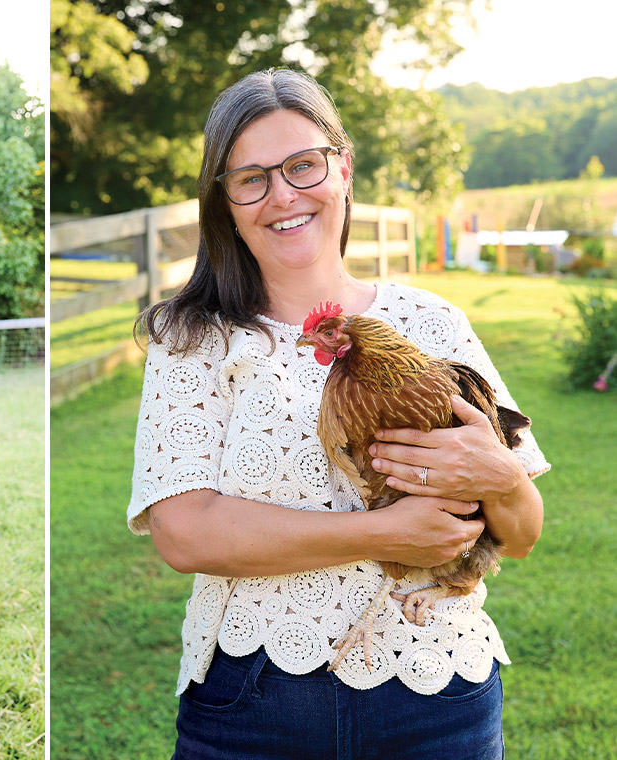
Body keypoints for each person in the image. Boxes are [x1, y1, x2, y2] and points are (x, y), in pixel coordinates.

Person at [127, 68, 549, 759]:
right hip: (254, 700)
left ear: (343, 170)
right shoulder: (191, 338)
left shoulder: (434, 322)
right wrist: (385, 530)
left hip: (439, 687)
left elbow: (524, 536)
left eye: (302, 166)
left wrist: (502, 479)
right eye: (251, 178)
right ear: (226, 200)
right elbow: (184, 533)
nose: (283, 195)